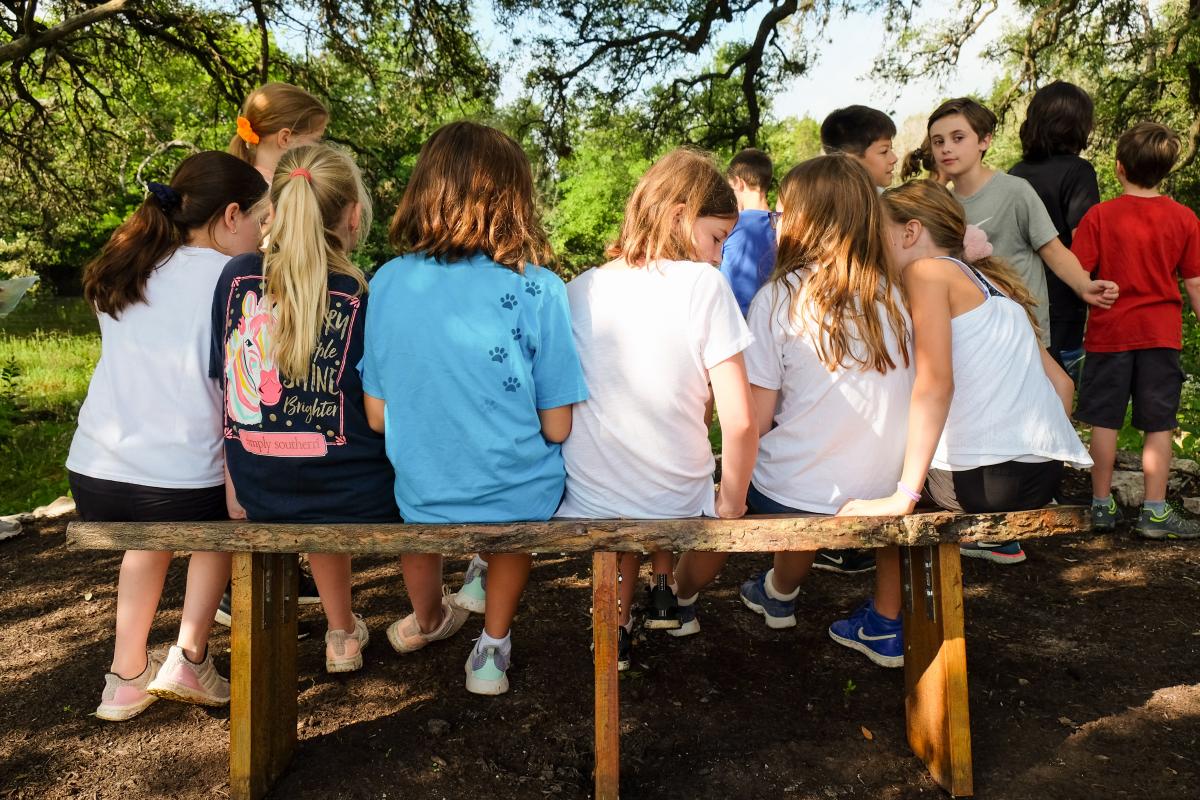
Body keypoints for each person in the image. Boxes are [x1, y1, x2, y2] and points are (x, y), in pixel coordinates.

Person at [361, 121, 588, 695]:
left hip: (425, 491)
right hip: (516, 491)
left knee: (419, 513)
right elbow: (557, 424)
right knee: (517, 510)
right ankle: (492, 649)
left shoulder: (388, 281)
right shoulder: (542, 289)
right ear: (515, 201)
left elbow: (377, 416)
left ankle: (430, 615)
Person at [833, 180, 1092, 666]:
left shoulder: (927, 273)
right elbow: (1063, 388)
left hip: (977, 485)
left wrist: (903, 494)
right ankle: (890, 614)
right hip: (1040, 477)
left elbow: (935, 384)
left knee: (883, 473)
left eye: (879, 235)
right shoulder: (996, 289)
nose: (875, 249)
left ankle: (884, 623)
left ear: (910, 232)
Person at [672, 154, 913, 639]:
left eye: (785, 212)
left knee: (737, 493)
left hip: (802, 490)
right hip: (882, 483)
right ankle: (779, 593)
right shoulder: (896, 295)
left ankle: (678, 598)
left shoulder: (780, 298)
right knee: (803, 467)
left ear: (804, 222)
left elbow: (755, 423)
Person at [68, 152, 267, 720]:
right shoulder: (235, 279)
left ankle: (124, 677)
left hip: (95, 475)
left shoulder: (130, 263)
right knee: (225, 521)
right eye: (261, 220)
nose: (261, 234)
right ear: (232, 216)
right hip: (180, 483)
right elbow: (245, 389)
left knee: (149, 530)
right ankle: (189, 655)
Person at [557, 148, 758, 669]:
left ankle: (616, 622)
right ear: (677, 216)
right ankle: (659, 596)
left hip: (589, 497)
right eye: (716, 238)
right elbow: (739, 420)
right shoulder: (704, 285)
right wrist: (730, 505)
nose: (718, 257)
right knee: (669, 485)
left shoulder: (578, 289)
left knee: (620, 485)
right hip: (673, 497)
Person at [213, 144, 397, 673]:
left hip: (261, 488)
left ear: (276, 210)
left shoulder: (237, 279)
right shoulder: (365, 294)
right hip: (362, 496)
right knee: (338, 462)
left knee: (309, 469)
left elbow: (225, 387)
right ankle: (416, 617)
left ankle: (342, 632)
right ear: (354, 216)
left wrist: (234, 482)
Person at [924, 96, 1118, 562]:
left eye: (958, 138)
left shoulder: (1014, 191)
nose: (947, 149)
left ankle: (1023, 494)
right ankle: (991, 504)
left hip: (1022, 326)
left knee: (1042, 397)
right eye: (937, 142)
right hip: (966, 332)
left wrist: (1086, 286)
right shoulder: (941, 202)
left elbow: (1051, 249)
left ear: (984, 141)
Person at [1073, 122, 1200, 540]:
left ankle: (1101, 505)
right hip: (1161, 336)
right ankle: (1155, 511)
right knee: (1158, 424)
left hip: (1110, 333)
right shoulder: (1184, 219)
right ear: (1164, 171)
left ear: (1119, 168)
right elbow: (1195, 283)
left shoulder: (1099, 216)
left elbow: (1079, 273)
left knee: (1104, 421)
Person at [812, 105, 901, 575]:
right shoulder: (873, 219)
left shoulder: (890, 210)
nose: (893, 160)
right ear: (852, 158)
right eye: (884, 151)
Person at [1009, 82, 1101, 377]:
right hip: (1062, 302)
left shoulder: (1014, 173)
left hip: (1017, 296)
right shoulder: (1079, 172)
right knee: (1058, 391)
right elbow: (1084, 242)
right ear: (1078, 124)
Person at [229, 82, 329, 184]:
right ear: (285, 138)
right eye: (316, 140)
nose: (319, 148)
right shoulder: (271, 193)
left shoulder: (246, 181)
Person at [720, 148, 777, 315]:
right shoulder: (783, 223)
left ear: (739, 183)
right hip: (774, 320)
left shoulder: (732, 224)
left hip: (739, 321)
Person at [820, 104, 899, 189]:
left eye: (891, 149)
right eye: (884, 151)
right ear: (850, 159)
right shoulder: (878, 201)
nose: (894, 159)